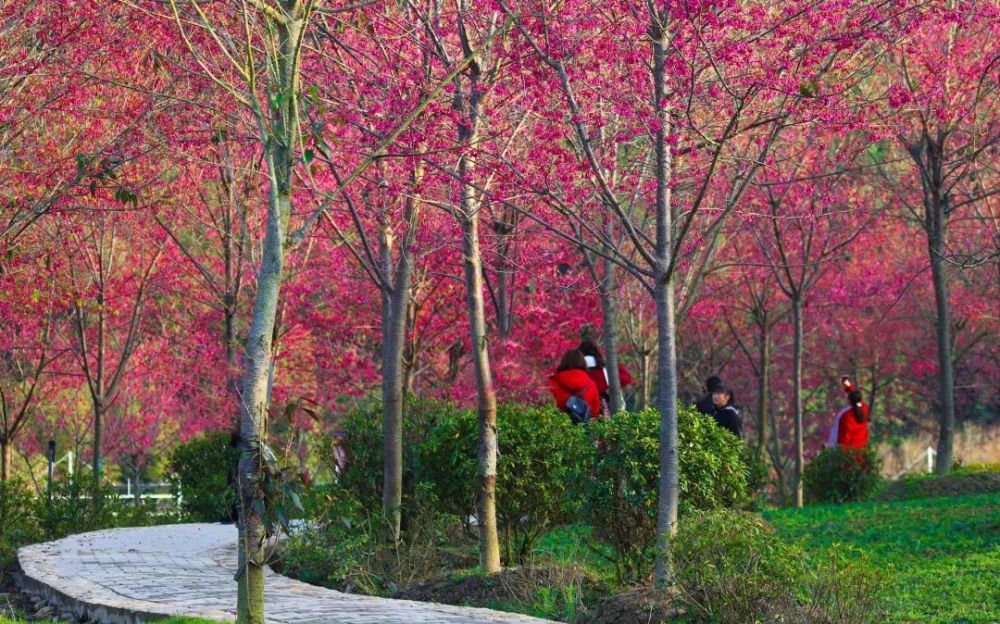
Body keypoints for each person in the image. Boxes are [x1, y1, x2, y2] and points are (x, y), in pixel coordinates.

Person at [578, 339, 633, 417]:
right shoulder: (606, 371)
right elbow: (627, 378)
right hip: (603, 412)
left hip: (581, 410)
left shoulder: (575, 372)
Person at [549, 349, 601, 423]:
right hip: (581, 429)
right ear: (583, 363)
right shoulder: (591, 384)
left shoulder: (553, 382)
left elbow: (546, 405)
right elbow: (595, 411)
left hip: (557, 427)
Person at [827, 377, 870, 449]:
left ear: (849, 400)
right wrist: (848, 384)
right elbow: (855, 397)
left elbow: (843, 438)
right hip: (862, 450)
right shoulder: (864, 408)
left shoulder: (846, 416)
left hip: (849, 453)